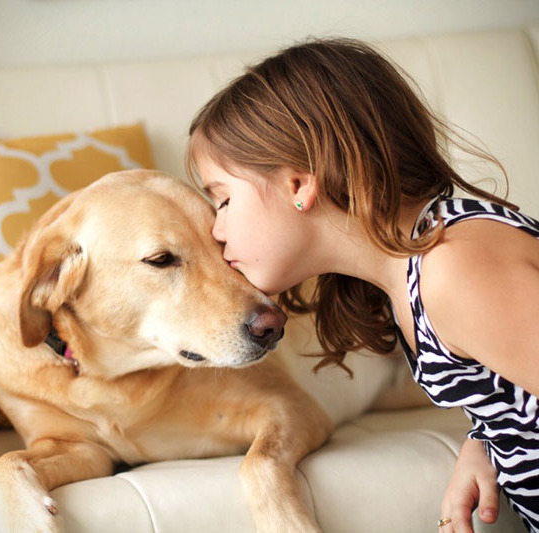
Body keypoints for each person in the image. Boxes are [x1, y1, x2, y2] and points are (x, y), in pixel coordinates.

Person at [185, 38, 539, 533]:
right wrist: (489, 439)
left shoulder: (450, 270)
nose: (216, 232)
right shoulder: (411, 276)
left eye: (222, 201)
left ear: (298, 185)